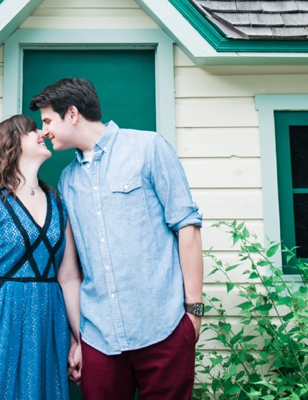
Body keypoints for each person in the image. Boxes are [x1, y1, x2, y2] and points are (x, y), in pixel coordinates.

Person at [30, 78, 203, 400]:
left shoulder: (149, 148)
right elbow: (74, 267)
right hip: (100, 335)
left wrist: (193, 312)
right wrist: (78, 338)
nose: (44, 131)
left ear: (72, 114)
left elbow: (187, 227)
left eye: (48, 120)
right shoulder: (68, 180)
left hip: (163, 325)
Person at [0, 114, 82, 399]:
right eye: (32, 129)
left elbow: (69, 278)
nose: (42, 133)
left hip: (48, 323)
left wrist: (79, 339)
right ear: (11, 143)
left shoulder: (57, 202)